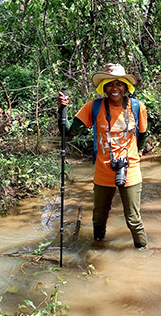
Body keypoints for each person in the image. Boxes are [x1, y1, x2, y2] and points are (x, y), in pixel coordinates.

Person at [57, 63, 148, 249]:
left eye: (119, 83)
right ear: (104, 88)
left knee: (134, 220)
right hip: (103, 172)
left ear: (125, 86)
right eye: (110, 84)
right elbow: (67, 131)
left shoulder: (138, 107)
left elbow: (142, 135)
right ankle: (98, 247)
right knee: (98, 219)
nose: (115, 88)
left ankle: (143, 253)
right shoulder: (94, 107)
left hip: (130, 171)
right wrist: (61, 110)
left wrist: (134, 156)